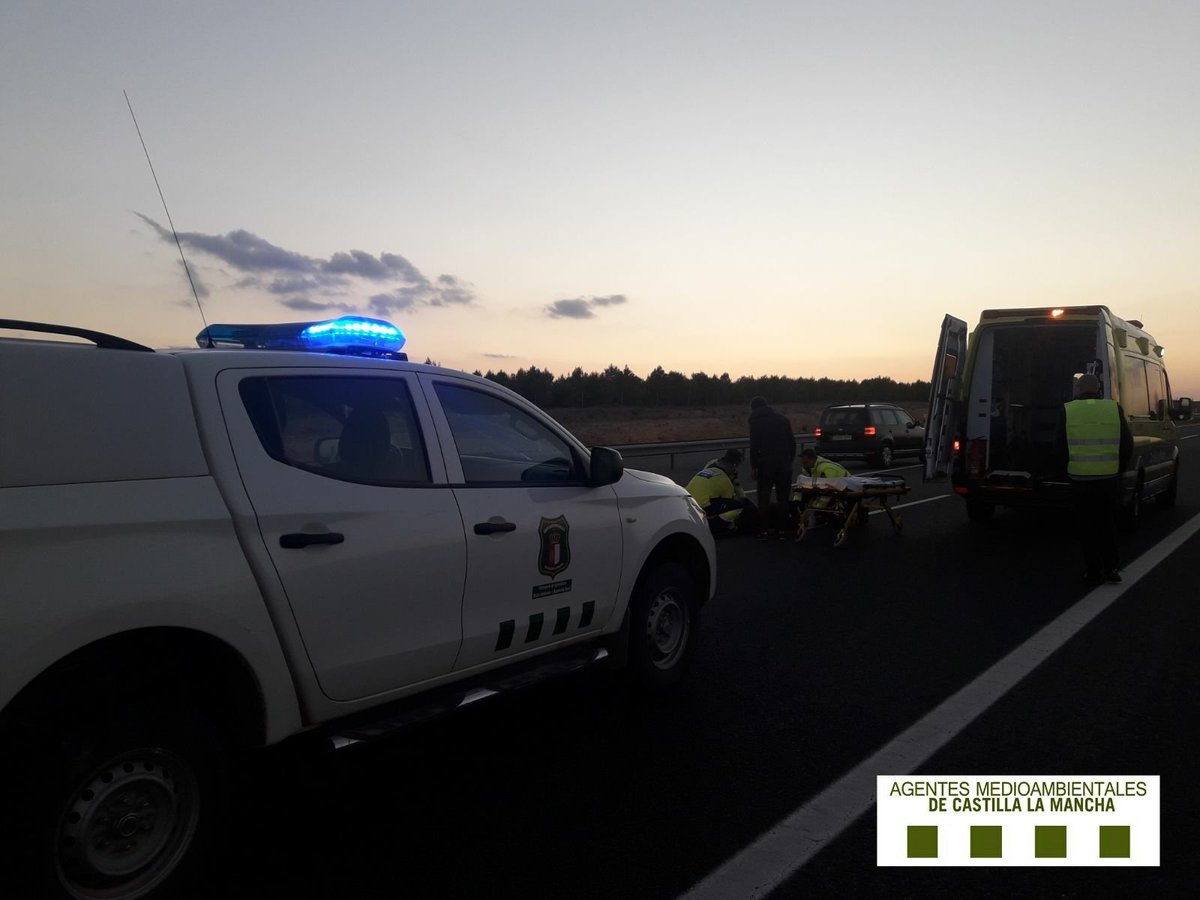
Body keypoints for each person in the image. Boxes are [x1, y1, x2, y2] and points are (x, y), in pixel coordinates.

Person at [1060, 372, 1133, 585]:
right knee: (1106, 524)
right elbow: (1126, 443)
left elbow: (1059, 446)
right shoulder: (1113, 408)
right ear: (1099, 390)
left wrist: (1066, 470)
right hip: (1108, 479)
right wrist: (1118, 469)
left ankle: (1092, 571)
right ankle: (1111, 568)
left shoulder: (1067, 410)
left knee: (1086, 528)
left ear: (1078, 390)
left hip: (1080, 480)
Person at [748, 396, 797, 539]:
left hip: (765, 465)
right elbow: (792, 443)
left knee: (763, 497)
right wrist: (788, 460)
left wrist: (754, 465)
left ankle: (764, 530)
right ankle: (782, 530)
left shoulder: (755, 421)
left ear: (753, 408)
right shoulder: (782, 419)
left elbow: (754, 446)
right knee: (783, 498)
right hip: (783, 464)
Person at [685, 449, 760, 535]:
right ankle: (721, 526)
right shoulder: (726, 481)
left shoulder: (712, 465)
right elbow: (730, 499)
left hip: (687, 502)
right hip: (703, 508)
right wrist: (746, 504)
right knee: (738, 507)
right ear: (734, 465)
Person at [793, 448, 851, 533]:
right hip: (827, 485)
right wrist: (797, 503)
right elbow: (802, 486)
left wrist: (815, 508)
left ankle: (822, 517)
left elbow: (828, 491)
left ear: (812, 459)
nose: (803, 465)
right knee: (808, 495)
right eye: (802, 463)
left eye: (805, 463)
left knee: (826, 500)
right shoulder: (807, 468)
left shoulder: (826, 469)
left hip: (845, 485)